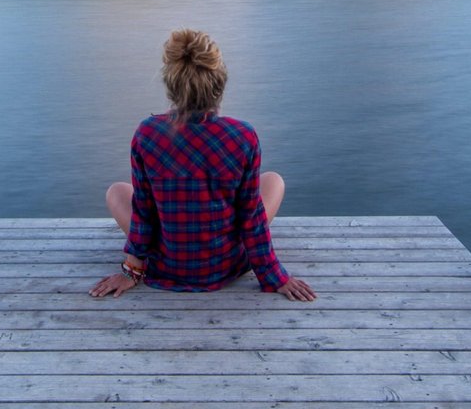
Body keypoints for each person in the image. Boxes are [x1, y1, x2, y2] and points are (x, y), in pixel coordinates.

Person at [90, 29, 316, 301]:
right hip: (225, 266)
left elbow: (144, 212)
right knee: (274, 181)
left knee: (117, 191)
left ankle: (148, 261)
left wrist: (131, 271)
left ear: (171, 86)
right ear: (219, 84)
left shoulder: (147, 134)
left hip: (166, 265)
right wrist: (274, 276)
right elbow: (251, 216)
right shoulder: (242, 136)